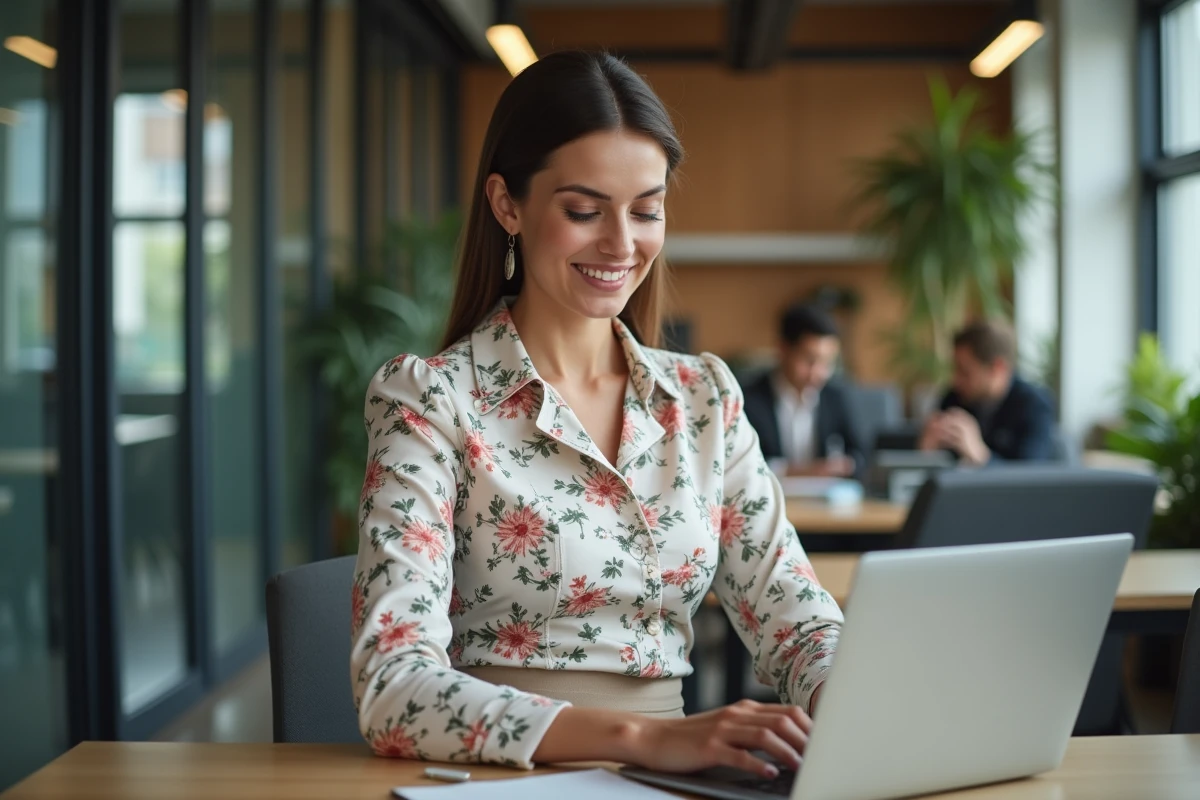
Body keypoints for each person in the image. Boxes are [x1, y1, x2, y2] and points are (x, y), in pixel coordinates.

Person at [350, 52, 842, 781]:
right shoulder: (432, 400)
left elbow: (796, 619)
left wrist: (852, 699)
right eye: (584, 211)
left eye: (647, 210)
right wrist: (642, 739)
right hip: (505, 780)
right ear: (507, 204)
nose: (622, 243)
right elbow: (394, 688)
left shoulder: (703, 398)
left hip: (679, 780)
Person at [741, 304, 865, 480]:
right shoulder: (748, 399)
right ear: (782, 350)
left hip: (826, 501)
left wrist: (846, 464)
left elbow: (861, 455)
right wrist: (804, 471)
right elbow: (741, 463)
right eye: (809, 360)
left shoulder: (836, 397)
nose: (818, 373)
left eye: (827, 362)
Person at [919, 320, 1056, 465]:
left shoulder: (1035, 406)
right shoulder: (954, 398)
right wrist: (926, 452)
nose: (956, 380)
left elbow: (1031, 476)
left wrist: (980, 455)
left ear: (997, 368)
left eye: (965, 372)